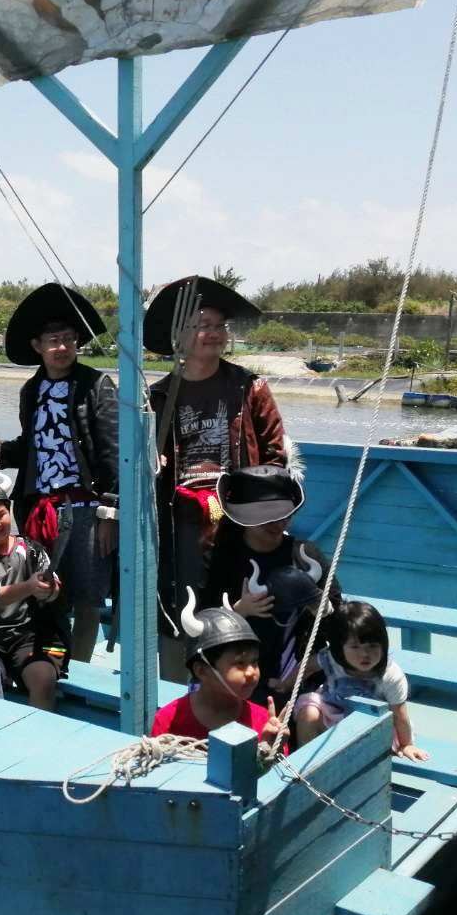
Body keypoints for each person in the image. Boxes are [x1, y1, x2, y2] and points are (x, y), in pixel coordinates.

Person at [144, 276, 287, 678]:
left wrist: (263, 514)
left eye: (219, 325)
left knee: (245, 604)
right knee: (179, 609)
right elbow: (140, 464)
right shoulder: (158, 396)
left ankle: (244, 686)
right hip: (180, 524)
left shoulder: (249, 387)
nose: (214, 334)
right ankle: (178, 689)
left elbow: (275, 456)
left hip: (238, 519)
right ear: (179, 335)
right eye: (202, 325)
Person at [0, 283, 117, 663]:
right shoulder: (31, 390)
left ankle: (79, 667)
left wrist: (110, 514)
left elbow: (112, 452)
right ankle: (48, 664)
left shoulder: (97, 385)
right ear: (38, 346)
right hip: (40, 509)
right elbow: (34, 447)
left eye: (69, 339)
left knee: (87, 596)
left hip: (87, 509)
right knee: (44, 590)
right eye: (54, 341)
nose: (62, 347)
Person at [200, 466, 339, 705]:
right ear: (244, 520)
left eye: (284, 516)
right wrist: (237, 612)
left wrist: (316, 605)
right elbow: (202, 623)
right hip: (238, 679)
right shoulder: (220, 560)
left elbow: (339, 616)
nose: (278, 524)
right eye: (267, 519)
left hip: (300, 677)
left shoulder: (306, 554)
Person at [0, 480, 65, 711]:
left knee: (44, 679)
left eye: (1, 515)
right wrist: (29, 587)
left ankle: (38, 728)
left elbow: (53, 592)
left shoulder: (33, 549)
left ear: (10, 512)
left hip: (30, 638)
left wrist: (49, 590)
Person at [293, 601, 429, 760]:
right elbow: (307, 667)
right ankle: (305, 761)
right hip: (333, 714)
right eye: (355, 647)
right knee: (308, 713)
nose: (364, 654)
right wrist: (285, 684)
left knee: (372, 742)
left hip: (371, 724)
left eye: (372, 646)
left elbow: (400, 714)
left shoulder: (391, 675)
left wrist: (407, 744)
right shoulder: (332, 659)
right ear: (340, 648)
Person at [150, 593, 284, 750]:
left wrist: (271, 747)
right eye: (239, 664)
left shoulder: (263, 722)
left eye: (254, 662)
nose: (251, 672)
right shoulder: (168, 721)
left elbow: (278, 763)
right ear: (201, 671)